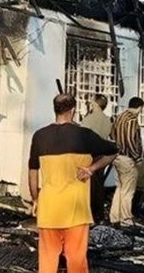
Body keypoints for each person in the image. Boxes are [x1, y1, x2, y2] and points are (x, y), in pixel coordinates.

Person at [29, 93, 118, 273]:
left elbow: (32, 171)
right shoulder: (84, 135)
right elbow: (113, 151)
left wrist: (36, 199)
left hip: (49, 209)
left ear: (55, 110)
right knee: (76, 261)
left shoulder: (39, 136)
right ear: (73, 110)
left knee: (47, 261)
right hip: (76, 210)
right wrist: (92, 168)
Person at [109, 96, 144, 227]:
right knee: (128, 190)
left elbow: (111, 135)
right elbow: (130, 140)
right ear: (140, 108)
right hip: (127, 158)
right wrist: (137, 157)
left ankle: (114, 217)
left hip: (116, 156)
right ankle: (126, 219)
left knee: (120, 188)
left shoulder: (119, 117)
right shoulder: (131, 120)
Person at [80, 94, 113, 224]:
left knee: (88, 185)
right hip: (101, 156)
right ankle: (98, 214)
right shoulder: (107, 120)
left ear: (95, 104)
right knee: (99, 185)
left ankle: (88, 213)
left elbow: (82, 136)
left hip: (89, 155)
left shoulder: (89, 119)